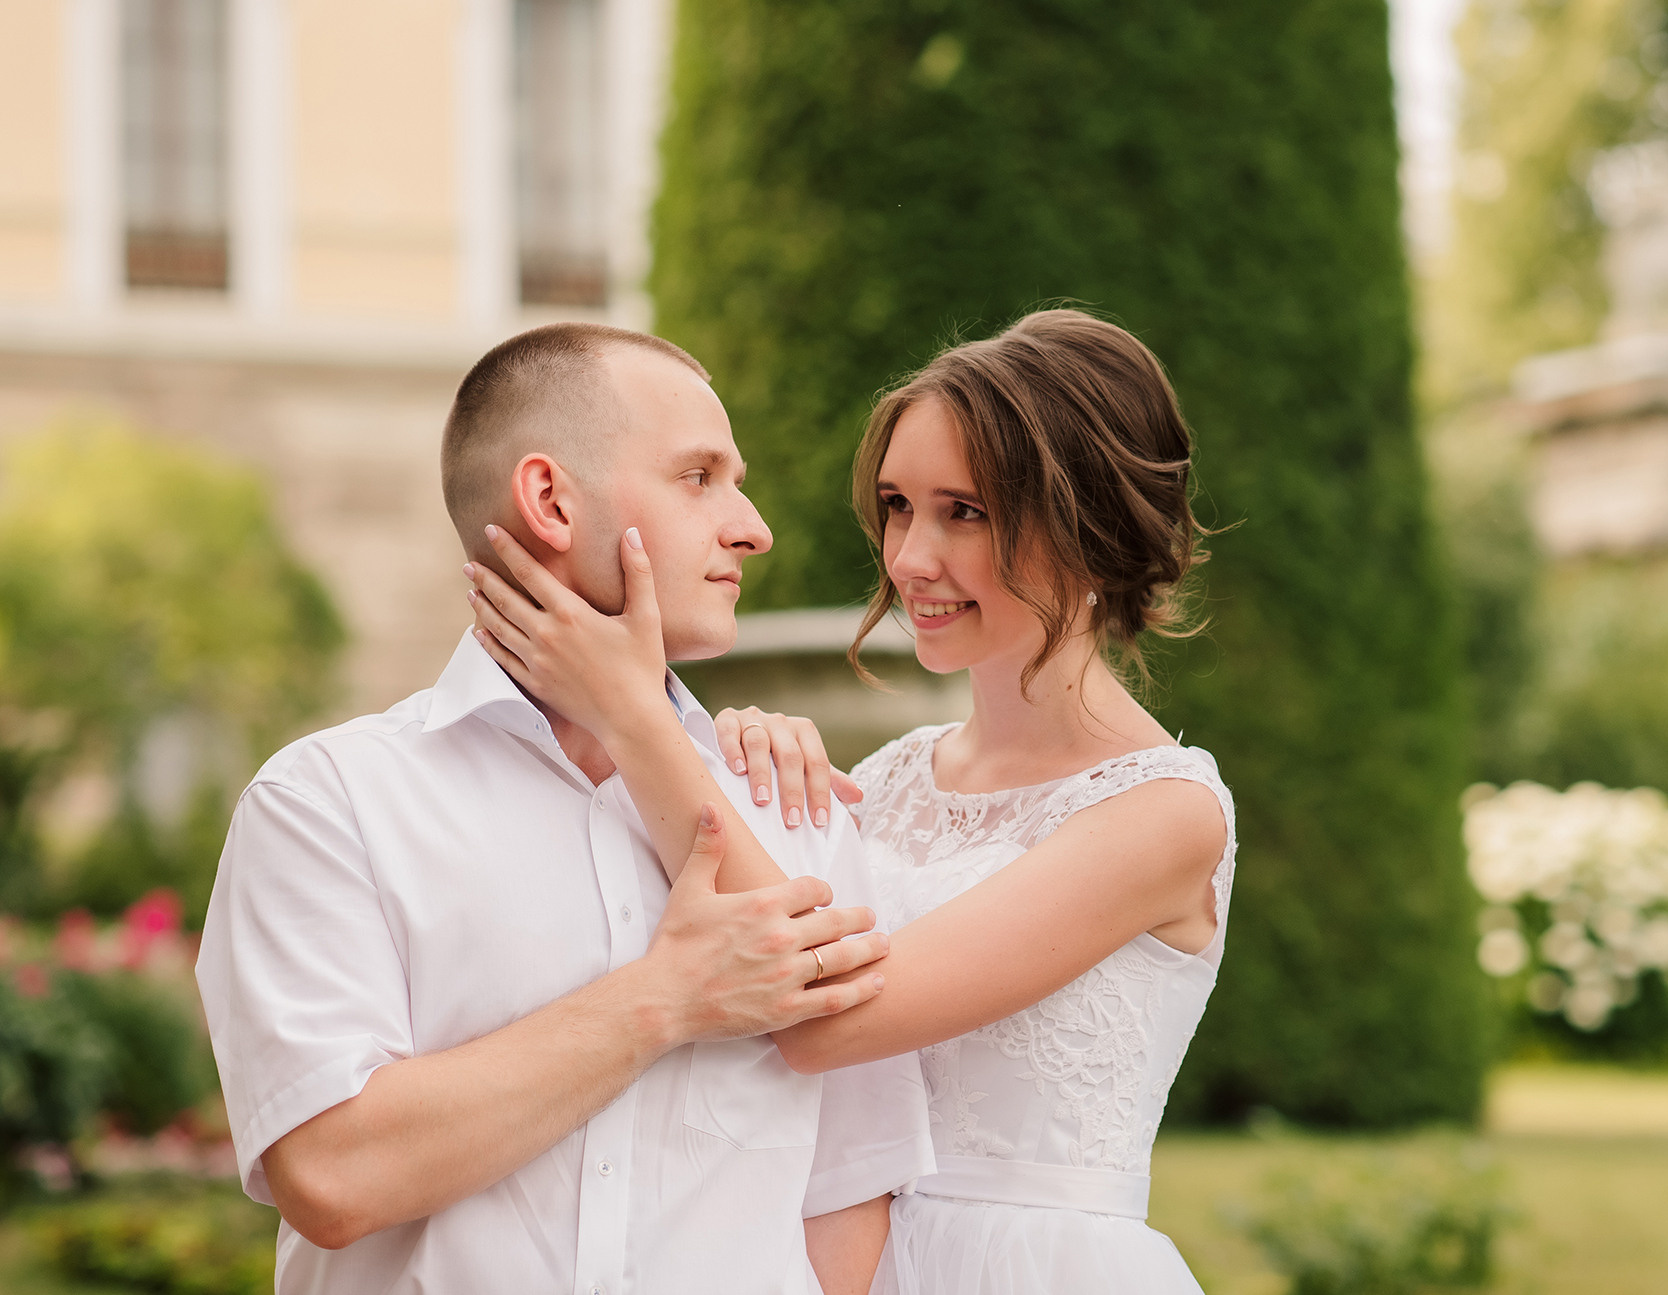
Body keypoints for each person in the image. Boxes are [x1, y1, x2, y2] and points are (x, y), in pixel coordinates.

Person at [466, 308, 1236, 1293]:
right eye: (898, 505)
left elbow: (825, 1019)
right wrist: (731, 757)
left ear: (1086, 526)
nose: (910, 557)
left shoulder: (1165, 813)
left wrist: (638, 719)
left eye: (965, 510)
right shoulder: (884, 779)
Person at [195, 323, 935, 1295]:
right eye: (698, 476)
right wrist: (667, 997)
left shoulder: (794, 808)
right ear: (549, 498)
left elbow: (850, 1190)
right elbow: (333, 1172)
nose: (751, 526)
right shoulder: (329, 803)